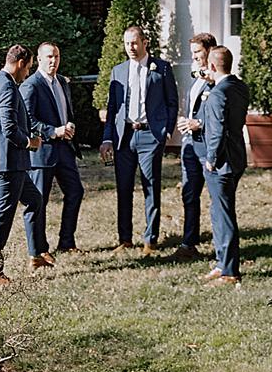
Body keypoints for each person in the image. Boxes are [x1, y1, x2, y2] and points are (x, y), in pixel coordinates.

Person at [99, 25, 178, 254]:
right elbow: (113, 108)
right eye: (126, 44)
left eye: (134, 43)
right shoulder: (118, 71)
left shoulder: (160, 68)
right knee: (123, 188)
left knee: (150, 187)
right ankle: (125, 239)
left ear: (145, 42)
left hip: (150, 136)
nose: (130, 48)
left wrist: (166, 131)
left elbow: (172, 101)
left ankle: (150, 239)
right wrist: (107, 138)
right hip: (124, 136)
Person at [0, 42, 50, 283]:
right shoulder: (6, 87)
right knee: (3, 215)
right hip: (8, 162)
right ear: (20, 64)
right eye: (28, 68)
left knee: (35, 200)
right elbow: (8, 128)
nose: (27, 73)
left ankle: (37, 254)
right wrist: (30, 142)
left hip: (7, 161)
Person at [21, 41, 85, 258]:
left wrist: (69, 127)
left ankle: (67, 242)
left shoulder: (63, 82)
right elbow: (28, 120)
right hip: (42, 153)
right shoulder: (31, 85)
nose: (53, 61)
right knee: (39, 201)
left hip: (65, 149)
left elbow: (66, 112)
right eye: (49, 57)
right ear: (39, 59)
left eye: (56, 56)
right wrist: (52, 131)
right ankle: (40, 250)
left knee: (76, 192)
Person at [202, 44, 250, 286]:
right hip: (237, 156)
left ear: (211, 66)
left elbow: (218, 130)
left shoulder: (219, 93)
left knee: (224, 215)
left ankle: (230, 271)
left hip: (222, 162)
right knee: (218, 211)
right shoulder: (239, 87)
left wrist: (211, 159)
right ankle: (221, 263)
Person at [173, 31, 216, 262]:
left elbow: (220, 115)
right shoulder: (197, 77)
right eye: (193, 53)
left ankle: (221, 245)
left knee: (215, 197)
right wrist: (185, 121)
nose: (195, 57)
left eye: (198, 52)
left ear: (209, 51)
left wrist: (198, 123)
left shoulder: (218, 79)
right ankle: (189, 243)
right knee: (189, 194)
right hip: (189, 145)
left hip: (207, 147)